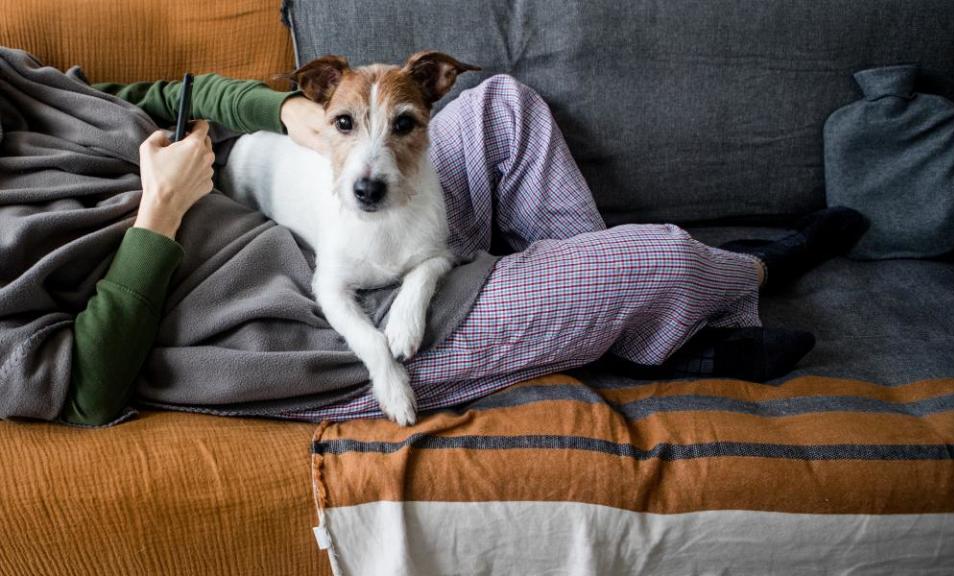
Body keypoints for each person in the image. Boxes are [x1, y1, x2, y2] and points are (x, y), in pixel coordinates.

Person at [61, 73, 867, 426]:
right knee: (644, 262)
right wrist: (159, 212)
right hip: (265, 313)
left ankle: (621, 325)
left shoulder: (25, 81)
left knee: (505, 108)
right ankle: (731, 278)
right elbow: (88, 391)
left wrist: (285, 114)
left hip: (319, 205)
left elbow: (175, 95)